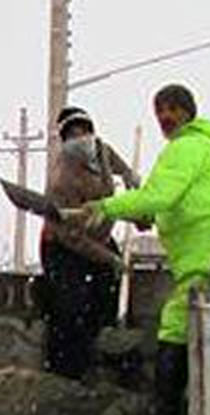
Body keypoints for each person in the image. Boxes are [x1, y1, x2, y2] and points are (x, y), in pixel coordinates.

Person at [63, 84, 210, 415]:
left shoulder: (185, 148)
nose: (165, 118)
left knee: (176, 322)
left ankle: (167, 414)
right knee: (204, 322)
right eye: (160, 112)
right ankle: (199, 408)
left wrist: (104, 207)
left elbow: (160, 195)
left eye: (172, 109)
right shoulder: (208, 150)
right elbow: (174, 201)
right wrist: (144, 215)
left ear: (188, 112)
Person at [39, 105, 139, 379]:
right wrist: (109, 258)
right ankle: (65, 374)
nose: (81, 139)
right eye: (73, 134)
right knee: (70, 309)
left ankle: (103, 363)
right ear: (65, 141)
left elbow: (117, 168)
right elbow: (71, 237)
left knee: (106, 296)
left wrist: (130, 178)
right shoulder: (62, 180)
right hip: (64, 246)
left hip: (99, 235)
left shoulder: (102, 151)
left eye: (85, 131)